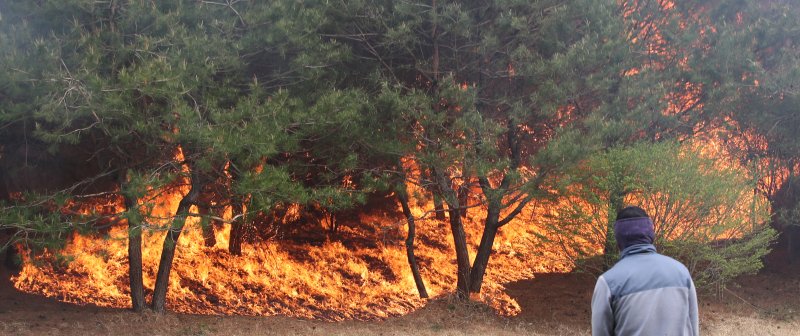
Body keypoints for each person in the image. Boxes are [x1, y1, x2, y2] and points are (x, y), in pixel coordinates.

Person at [591, 206, 699, 336]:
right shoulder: (681, 272)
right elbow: (693, 329)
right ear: (650, 234)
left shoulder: (608, 283)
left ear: (619, 239)